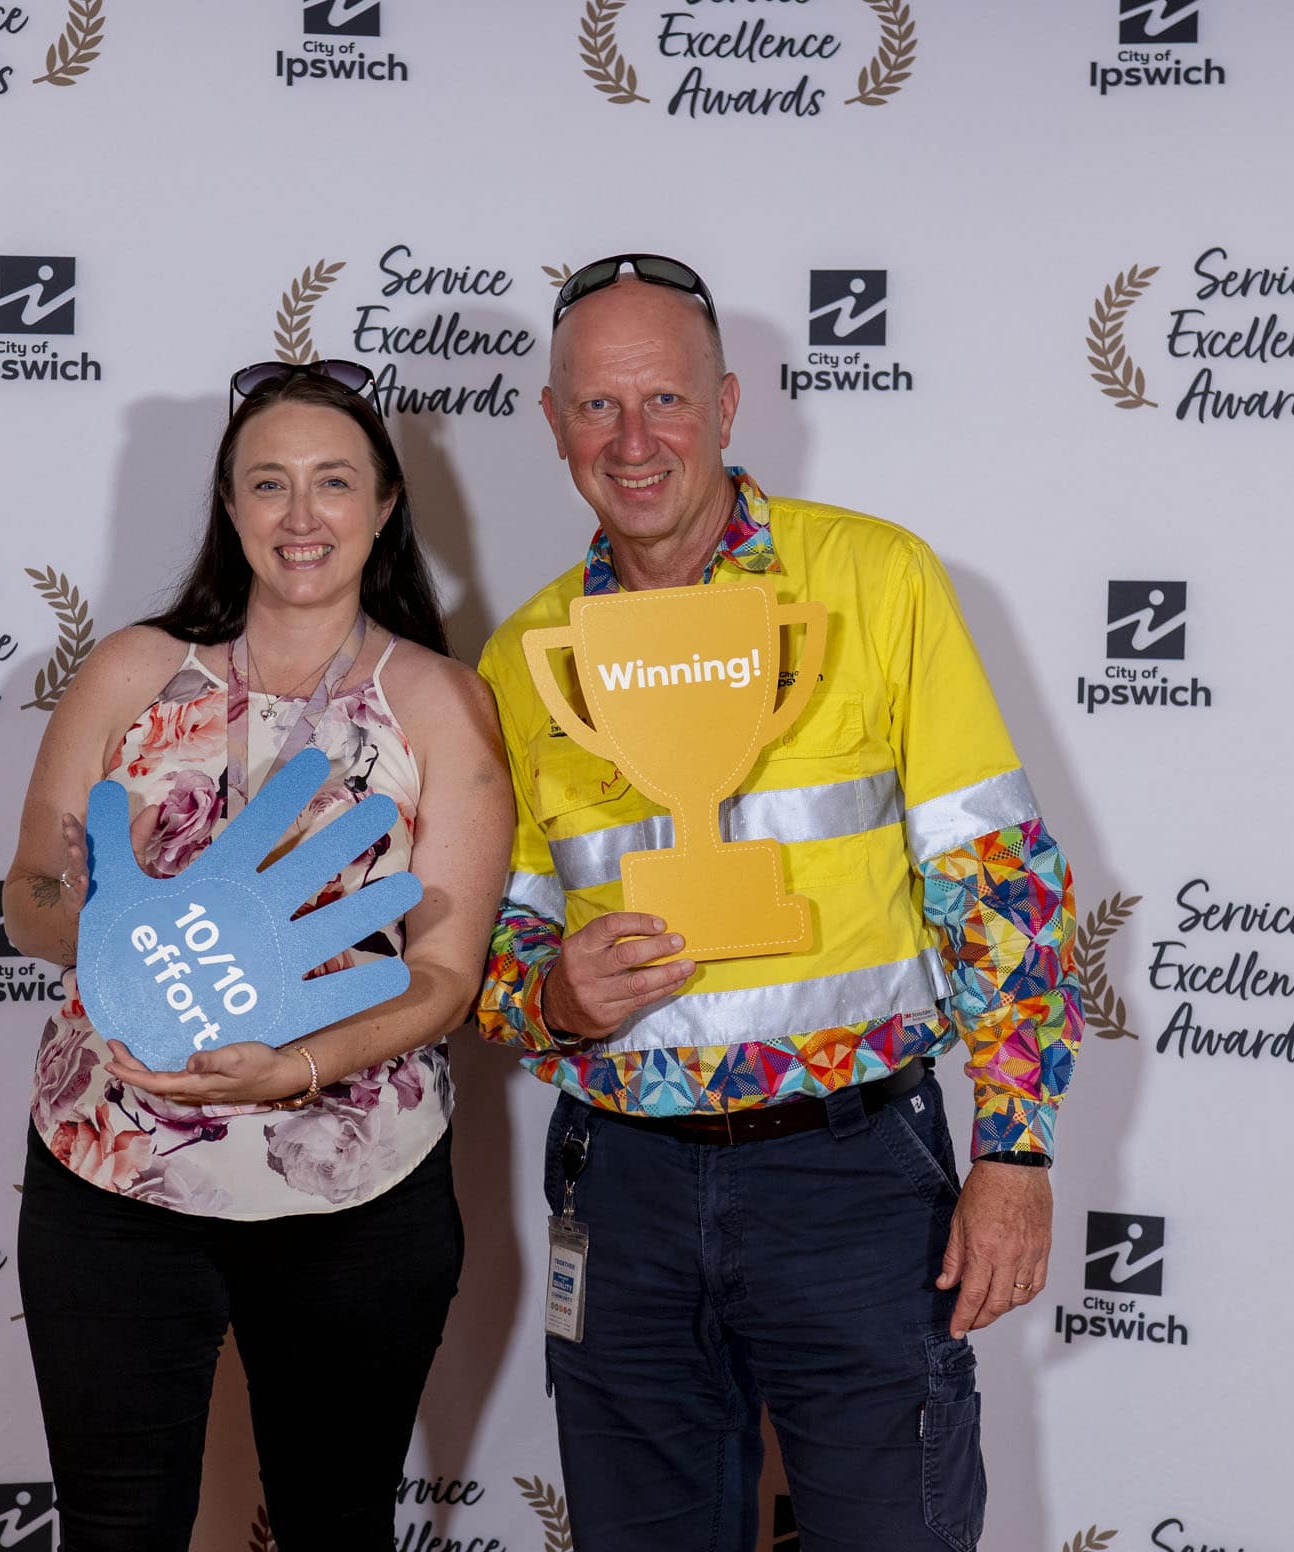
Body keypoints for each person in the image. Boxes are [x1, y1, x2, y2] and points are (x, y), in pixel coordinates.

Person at [475, 256, 1083, 1552]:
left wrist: (1015, 1150)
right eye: (597, 408)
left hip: (854, 1180)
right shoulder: (525, 660)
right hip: (622, 1189)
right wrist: (550, 997)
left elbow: (997, 883)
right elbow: (495, 942)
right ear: (551, 422)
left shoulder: (873, 583)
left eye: (666, 401)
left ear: (729, 402)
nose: (634, 443)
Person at [3, 359, 513, 1552]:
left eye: (333, 482)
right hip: (110, 1177)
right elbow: (30, 894)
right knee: (116, 1528)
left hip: (357, 1182)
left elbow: (445, 976)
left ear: (384, 504)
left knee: (334, 1528)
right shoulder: (132, 671)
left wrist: (301, 1065)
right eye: (267, 483)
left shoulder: (438, 702)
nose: (300, 516)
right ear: (228, 509)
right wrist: (117, 932)